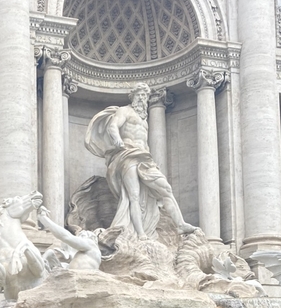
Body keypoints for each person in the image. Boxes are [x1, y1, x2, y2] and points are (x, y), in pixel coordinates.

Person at [84, 82, 197, 239]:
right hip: (127, 155)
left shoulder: (144, 119)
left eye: (145, 95)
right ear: (133, 96)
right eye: (139, 95)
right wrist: (118, 141)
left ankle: (180, 224)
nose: (142, 98)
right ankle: (140, 233)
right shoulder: (125, 111)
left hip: (145, 159)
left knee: (166, 189)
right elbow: (112, 126)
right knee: (134, 196)